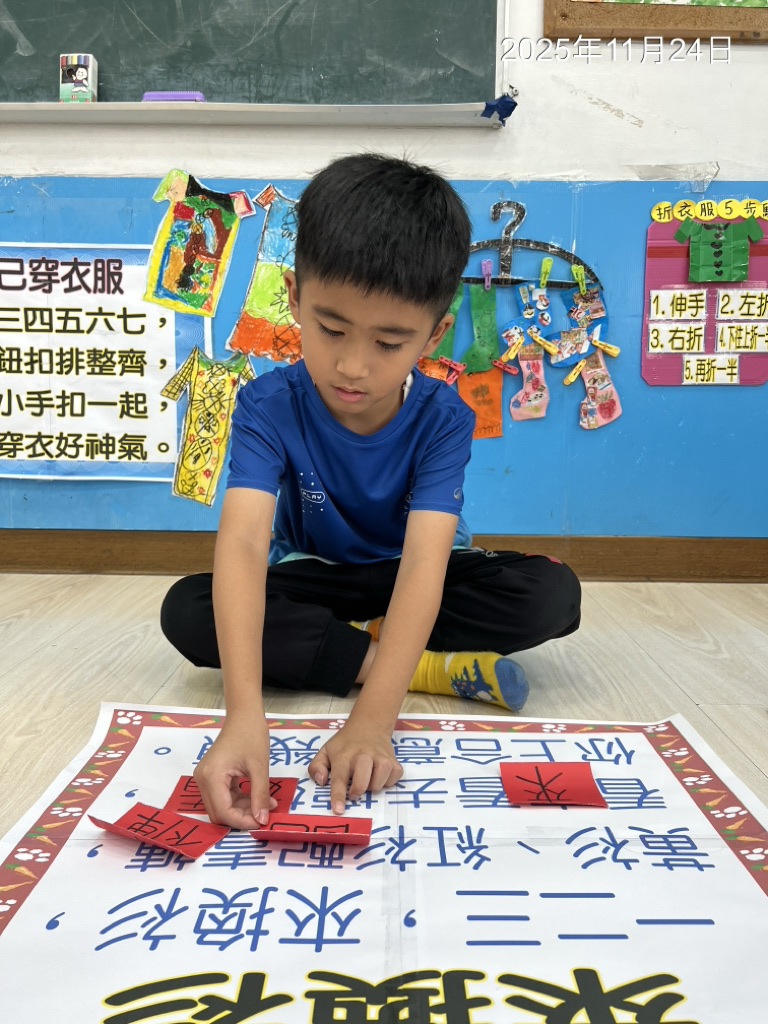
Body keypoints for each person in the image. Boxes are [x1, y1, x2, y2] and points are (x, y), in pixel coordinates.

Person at [160, 154, 581, 829]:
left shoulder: (443, 418)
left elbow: (423, 567)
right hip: (316, 575)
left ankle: (353, 653)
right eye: (331, 329)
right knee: (188, 609)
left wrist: (373, 720)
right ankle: (426, 666)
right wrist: (243, 716)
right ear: (293, 296)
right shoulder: (266, 405)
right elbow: (241, 546)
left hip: (410, 575)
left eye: (389, 343)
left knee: (551, 595)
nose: (352, 366)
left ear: (434, 334)